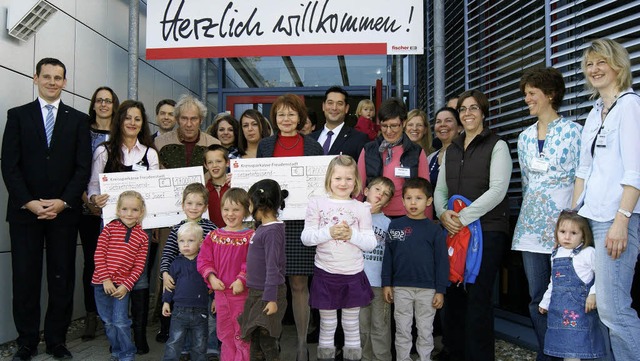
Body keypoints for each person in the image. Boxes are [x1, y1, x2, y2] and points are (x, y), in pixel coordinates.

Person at [1, 57, 91, 361]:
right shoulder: (17, 116)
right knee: (25, 278)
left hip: (63, 214)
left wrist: (63, 201)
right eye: (47, 76)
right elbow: (9, 166)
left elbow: (83, 168)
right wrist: (28, 201)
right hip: (25, 213)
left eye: (58, 77)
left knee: (61, 277)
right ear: (35, 78)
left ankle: (56, 340)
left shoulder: (78, 120)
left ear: (65, 82)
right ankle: (26, 342)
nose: (53, 82)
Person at [572, 38, 640, 360]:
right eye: (589, 64)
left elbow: (635, 171)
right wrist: (570, 216)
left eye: (601, 62)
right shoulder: (594, 112)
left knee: (613, 308)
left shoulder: (630, 106)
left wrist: (621, 221)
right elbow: (584, 170)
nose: (594, 69)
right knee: (594, 308)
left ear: (618, 66)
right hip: (589, 219)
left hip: (615, 220)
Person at [433, 89, 512, 361]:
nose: (468, 113)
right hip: (454, 231)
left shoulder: (497, 145)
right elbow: (440, 189)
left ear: (483, 113)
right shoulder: (452, 148)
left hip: (486, 231)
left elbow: (498, 190)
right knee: (454, 294)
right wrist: (443, 213)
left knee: (477, 297)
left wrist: (462, 217)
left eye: (474, 108)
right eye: (463, 109)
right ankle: (454, 353)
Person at [511, 67, 581, 361]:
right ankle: (547, 354)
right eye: (525, 94)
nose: (526, 99)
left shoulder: (575, 132)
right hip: (530, 230)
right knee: (537, 298)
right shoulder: (524, 137)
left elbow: (582, 178)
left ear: (550, 94)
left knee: (567, 296)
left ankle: (573, 352)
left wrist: (577, 220)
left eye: (532, 93)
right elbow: (527, 184)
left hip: (564, 230)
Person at [87, 99, 159, 354]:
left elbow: (156, 190)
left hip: (142, 226)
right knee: (110, 270)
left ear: (143, 124)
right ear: (120, 120)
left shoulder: (150, 153)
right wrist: (96, 198)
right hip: (111, 226)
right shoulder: (104, 150)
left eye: (137, 119)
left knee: (139, 279)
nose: (132, 122)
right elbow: (93, 187)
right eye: (128, 117)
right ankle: (118, 338)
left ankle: (138, 336)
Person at [257, 94, 324, 361]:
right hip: (271, 222)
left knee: (299, 284)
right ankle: (269, 343)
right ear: (275, 118)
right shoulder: (265, 145)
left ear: (300, 118)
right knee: (270, 283)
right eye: (281, 115)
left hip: (301, 223)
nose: (286, 119)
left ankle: (300, 344)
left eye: (291, 114)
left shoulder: (314, 147)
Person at [301, 155, 377, 361]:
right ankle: (325, 356)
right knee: (327, 324)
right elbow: (306, 238)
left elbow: (371, 243)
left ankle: (353, 356)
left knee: (351, 324)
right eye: (338, 178)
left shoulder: (362, 208)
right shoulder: (316, 203)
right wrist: (329, 232)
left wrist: (352, 235)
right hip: (325, 273)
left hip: (352, 274)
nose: (343, 183)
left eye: (348, 179)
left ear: (356, 182)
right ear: (329, 180)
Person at [382, 177, 448, 361]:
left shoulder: (434, 229)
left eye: (418, 198)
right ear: (402, 200)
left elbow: (442, 262)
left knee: (425, 330)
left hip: (428, 289)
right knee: (402, 329)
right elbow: (388, 257)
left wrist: (440, 290)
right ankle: (403, 358)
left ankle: (424, 357)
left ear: (428, 201)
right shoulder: (395, 226)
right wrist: (387, 284)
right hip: (401, 287)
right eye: (408, 198)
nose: (413, 202)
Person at [78, 86, 120, 340]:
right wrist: (87, 199)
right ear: (93, 104)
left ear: (114, 105)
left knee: (117, 262)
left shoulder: (120, 133)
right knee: (92, 263)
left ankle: (113, 316)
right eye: (99, 100)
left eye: (108, 100)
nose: (104, 104)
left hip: (116, 214)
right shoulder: (82, 132)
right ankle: (91, 315)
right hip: (87, 209)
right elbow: (77, 168)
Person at [159, 183, 219, 358]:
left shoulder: (211, 229)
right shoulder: (177, 229)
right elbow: (168, 253)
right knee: (182, 317)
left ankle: (210, 348)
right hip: (183, 283)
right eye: (190, 203)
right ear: (183, 204)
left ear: (206, 207)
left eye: (199, 204)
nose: (194, 208)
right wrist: (164, 274)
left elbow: (218, 257)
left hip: (205, 284)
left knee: (208, 318)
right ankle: (184, 348)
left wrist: (214, 280)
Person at [538, 211, 605, 360]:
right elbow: (553, 282)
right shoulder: (556, 253)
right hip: (558, 311)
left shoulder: (588, 253)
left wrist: (593, 294)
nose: (567, 237)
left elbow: (602, 275)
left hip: (580, 311)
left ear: (583, 234)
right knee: (565, 348)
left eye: (573, 233)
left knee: (579, 345)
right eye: (562, 232)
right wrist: (545, 302)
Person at [198, 188, 255, 361]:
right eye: (226, 209)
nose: (230, 214)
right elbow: (204, 260)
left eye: (236, 209)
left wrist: (241, 279)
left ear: (245, 211)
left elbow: (253, 262)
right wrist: (211, 277)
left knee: (242, 333)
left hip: (242, 295)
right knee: (224, 333)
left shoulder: (250, 236)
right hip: (221, 295)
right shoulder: (213, 236)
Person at [92, 191, 149, 361]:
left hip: (122, 287)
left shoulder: (142, 237)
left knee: (121, 321)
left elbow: (139, 266)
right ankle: (116, 351)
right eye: (124, 209)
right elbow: (99, 254)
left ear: (142, 212)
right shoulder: (109, 228)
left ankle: (127, 354)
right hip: (101, 284)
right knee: (108, 322)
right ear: (118, 210)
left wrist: (126, 285)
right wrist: (106, 279)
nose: (129, 214)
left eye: (134, 210)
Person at [238, 179, 288, 361]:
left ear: (258, 204)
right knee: (256, 340)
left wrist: (271, 298)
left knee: (268, 341)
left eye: (249, 203)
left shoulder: (272, 231)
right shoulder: (263, 228)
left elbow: (273, 267)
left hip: (268, 295)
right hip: (256, 293)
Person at [358, 98, 431, 218]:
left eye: (394, 126)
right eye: (384, 126)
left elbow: (425, 191)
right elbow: (359, 189)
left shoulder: (416, 152)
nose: (388, 131)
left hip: (406, 216)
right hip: (374, 216)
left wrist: (426, 223)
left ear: (404, 123)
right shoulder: (368, 150)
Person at [162, 222, 209, 361]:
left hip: (201, 311)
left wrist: (215, 300)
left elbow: (211, 282)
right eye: (182, 241)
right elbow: (169, 285)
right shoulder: (175, 263)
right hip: (179, 311)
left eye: (190, 241)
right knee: (174, 342)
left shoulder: (204, 262)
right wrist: (166, 302)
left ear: (201, 243)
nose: (186, 245)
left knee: (200, 344)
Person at [359, 176, 394, 361]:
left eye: (386, 194)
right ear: (366, 191)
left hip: (380, 284)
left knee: (380, 327)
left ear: (389, 201)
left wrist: (390, 283)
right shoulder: (353, 216)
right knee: (361, 327)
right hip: (357, 282)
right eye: (377, 189)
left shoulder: (389, 224)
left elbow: (393, 257)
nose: (381, 194)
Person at [155, 94, 220, 169]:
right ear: (177, 119)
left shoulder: (213, 144)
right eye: (184, 118)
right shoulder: (160, 143)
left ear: (201, 120)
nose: (189, 124)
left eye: (194, 119)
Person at [311, 86, 369, 160]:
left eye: (340, 103)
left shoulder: (359, 139)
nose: (334, 108)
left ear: (346, 108)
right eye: (330, 103)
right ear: (323, 106)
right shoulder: (310, 139)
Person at [427, 107, 461, 189]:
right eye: (438, 122)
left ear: (460, 128)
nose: (442, 124)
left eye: (448, 120)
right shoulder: (430, 158)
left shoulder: (466, 154)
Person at [204, 144, 231, 228]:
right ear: (206, 165)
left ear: (227, 163)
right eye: (210, 162)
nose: (214, 165)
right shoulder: (203, 192)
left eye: (219, 161)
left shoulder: (236, 187)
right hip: (210, 238)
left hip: (235, 236)